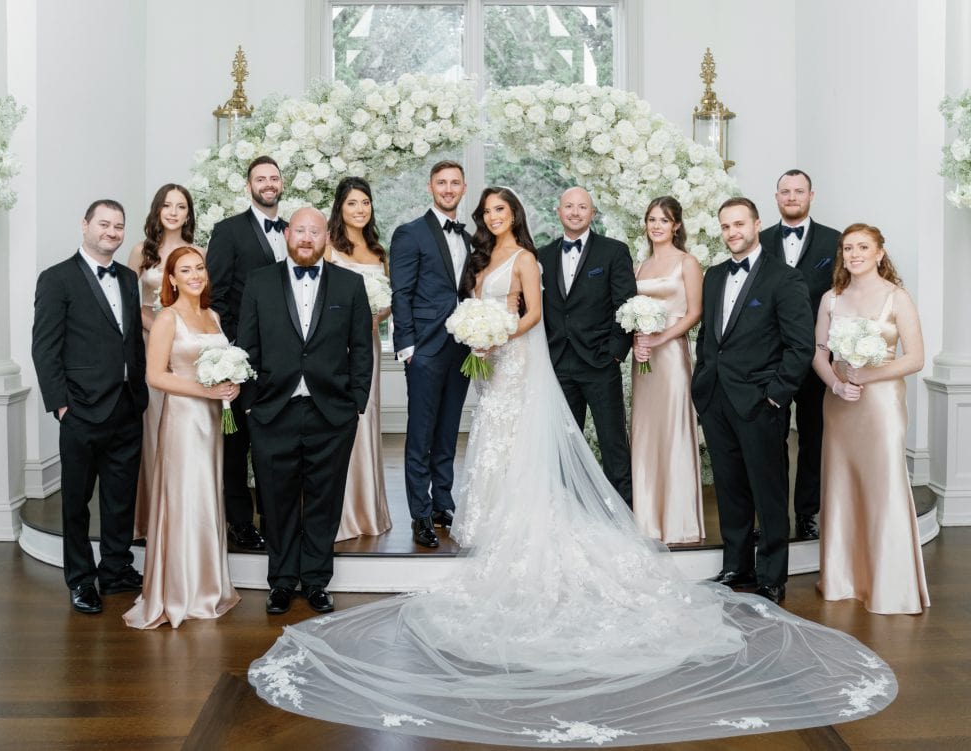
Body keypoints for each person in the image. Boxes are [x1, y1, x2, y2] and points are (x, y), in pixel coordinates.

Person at [247, 190, 896, 746]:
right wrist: (479, 333)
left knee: (574, 448)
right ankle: (502, 520)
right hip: (500, 367)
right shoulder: (483, 259)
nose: (494, 217)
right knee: (491, 445)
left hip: (534, 361)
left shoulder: (539, 257)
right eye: (488, 210)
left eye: (502, 209)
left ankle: (746, 565)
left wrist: (502, 334)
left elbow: (535, 312)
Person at [238, 207, 373, 616]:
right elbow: (247, 345)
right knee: (275, 499)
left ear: (326, 237)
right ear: (287, 235)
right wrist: (251, 403)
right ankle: (281, 581)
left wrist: (356, 403)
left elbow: (361, 349)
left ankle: (315, 580)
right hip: (272, 410)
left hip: (331, 412)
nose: (307, 238)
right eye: (300, 230)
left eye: (315, 231)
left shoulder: (350, 284)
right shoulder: (259, 282)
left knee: (324, 499)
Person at [692, 197, 815, 604]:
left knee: (769, 490)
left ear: (757, 224)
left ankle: (772, 576)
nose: (732, 232)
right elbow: (708, 338)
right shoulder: (713, 276)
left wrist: (775, 396)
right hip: (717, 398)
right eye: (726, 226)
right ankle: (737, 566)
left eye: (739, 224)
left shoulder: (784, 278)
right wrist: (701, 384)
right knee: (730, 487)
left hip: (761, 402)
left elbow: (800, 346)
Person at [32, 199, 148, 614]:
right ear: (85, 226)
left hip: (127, 406)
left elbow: (131, 341)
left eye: (118, 226)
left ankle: (115, 567)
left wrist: (139, 393)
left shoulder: (129, 278)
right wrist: (61, 407)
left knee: (120, 497)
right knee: (76, 501)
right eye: (104, 224)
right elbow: (45, 348)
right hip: (80, 410)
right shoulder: (56, 278)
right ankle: (81, 579)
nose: (112, 232)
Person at [813, 224, 929, 615]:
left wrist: (868, 375)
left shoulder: (897, 297)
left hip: (881, 407)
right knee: (841, 486)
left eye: (863, 247)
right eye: (848, 248)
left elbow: (916, 359)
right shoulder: (831, 298)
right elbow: (820, 354)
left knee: (884, 487)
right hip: (840, 404)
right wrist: (835, 384)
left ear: (880, 253)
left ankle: (890, 587)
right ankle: (842, 579)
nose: (855, 254)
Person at [123, 247, 241, 629]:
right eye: (185, 271)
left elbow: (223, 365)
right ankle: (180, 590)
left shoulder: (213, 316)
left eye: (199, 268)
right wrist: (206, 390)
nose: (195, 276)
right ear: (171, 279)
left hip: (212, 420)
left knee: (207, 496)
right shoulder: (167, 318)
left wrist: (231, 385)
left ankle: (208, 585)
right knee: (185, 498)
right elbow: (155, 376)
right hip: (183, 421)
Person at [206, 156, 286, 552]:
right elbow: (216, 296)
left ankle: (275, 519)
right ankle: (239, 522)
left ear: (281, 183)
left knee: (274, 445)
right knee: (237, 447)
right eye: (260, 178)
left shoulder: (293, 230)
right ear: (249, 186)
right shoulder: (228, 231)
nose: (268, 184)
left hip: (284, 362)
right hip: (241, 359)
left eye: (274, 178)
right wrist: (234, 352)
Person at [389, 160, 471, 548]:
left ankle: (443, 503)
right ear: (430, 187)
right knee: (420, 434)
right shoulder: (410, 233)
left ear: (464, 188)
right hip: (424, 348)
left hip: (461, 347)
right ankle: (420, 513)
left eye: (455, 183)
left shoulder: (469, 237)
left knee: (448, 431)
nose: (448, 188)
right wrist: (407, 347)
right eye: (442, 182)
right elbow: (401, 293)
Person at [538, 186, 637, 507]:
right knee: (564, 444)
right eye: (569, 206)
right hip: (558, 363)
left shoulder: (613, 251)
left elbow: (626, 305)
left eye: (582, 207)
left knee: (613, 442)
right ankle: (570, 511)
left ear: (592, 213)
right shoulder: (542, 256)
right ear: (558, 211)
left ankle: (623, 512)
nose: (575, 212)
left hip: (600, 362)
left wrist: (615, 353)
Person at [759, 169, 840, 540]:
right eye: (785, 191)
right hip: (768, 357)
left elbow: (842, 295)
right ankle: (772, 516)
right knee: (769, 439)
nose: (792, 197)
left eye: (799, 191)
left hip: (815, 357)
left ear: (811, 195)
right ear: (776, 197)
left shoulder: (834, 241)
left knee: (813, 437)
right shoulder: (759, 241)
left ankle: (808, 513)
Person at [126, 183, 199, 541]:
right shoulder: (142, 250)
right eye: (167, 205)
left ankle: (184, 512)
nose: (173, 212)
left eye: (180, 206)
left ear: (188, 214)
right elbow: (130, 301)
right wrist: (160, 329)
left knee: (186, 425)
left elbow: (199, 302)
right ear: (157, 210)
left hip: (185, 349)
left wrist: (182, 335)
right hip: (151, 342)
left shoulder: (197, 251)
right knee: (154, 426)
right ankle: (152, 517)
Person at [630, 196, 705, 543]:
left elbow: (694, 312)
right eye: (652, 219)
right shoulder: (639, 267)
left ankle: (678, 522)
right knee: (646, 432)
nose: (656, 225)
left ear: (676, 225)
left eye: (664, 220)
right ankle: (647, 519)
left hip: (672, 356)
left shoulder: (687, 262)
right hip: (643, 357)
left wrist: (661, 338)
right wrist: (638, 340)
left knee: (673, 428)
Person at [325, 177, 392, 542]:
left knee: (366, 418)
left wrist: (378, 313)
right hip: (335, 347)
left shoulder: (379, 252)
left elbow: (389, 302)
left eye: (365, 202)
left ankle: (366, 508)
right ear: (340, 207)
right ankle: (337, 512)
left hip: (369, 344)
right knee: (337, 420)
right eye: (352, 203)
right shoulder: (328, 248)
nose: (360, 209)